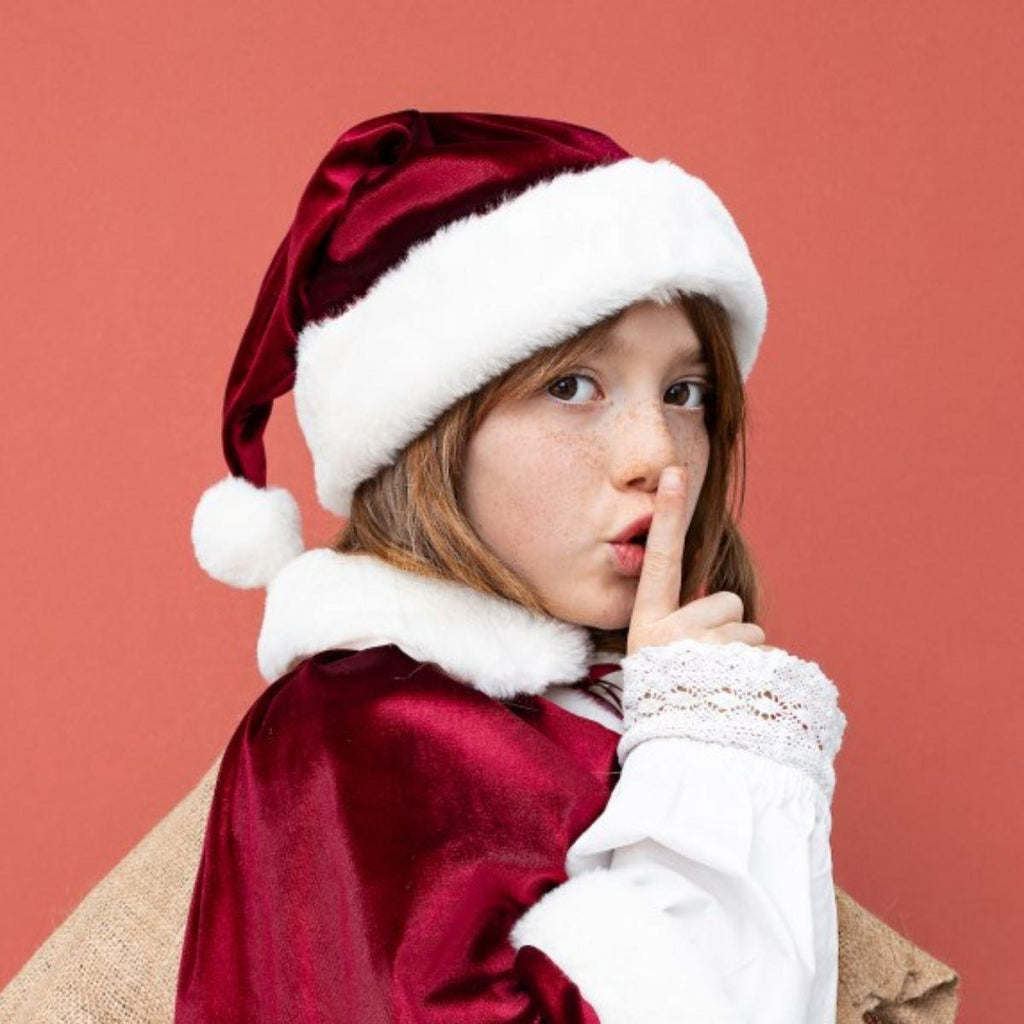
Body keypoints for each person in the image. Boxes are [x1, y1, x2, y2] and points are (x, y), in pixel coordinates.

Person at [179, 108, 848, 1024]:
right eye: (572, 385)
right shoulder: (365, 731)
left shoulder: (600, 708)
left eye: (685, 393)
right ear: (427, 432)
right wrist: (708, 763)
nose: (658, 453)